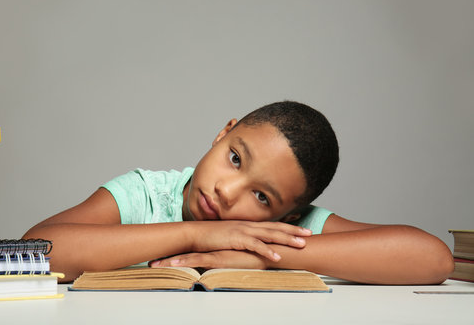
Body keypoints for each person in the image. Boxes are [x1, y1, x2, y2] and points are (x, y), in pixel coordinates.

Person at [23, 101, 454, 284]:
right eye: (235, 158)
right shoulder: (146, 194)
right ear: (223, 133)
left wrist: (265, 255)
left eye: (262, 198)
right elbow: (34, 250)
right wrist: (196, 236)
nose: (227, 193)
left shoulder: (284, 232)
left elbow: (432, 257)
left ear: (288, 217)